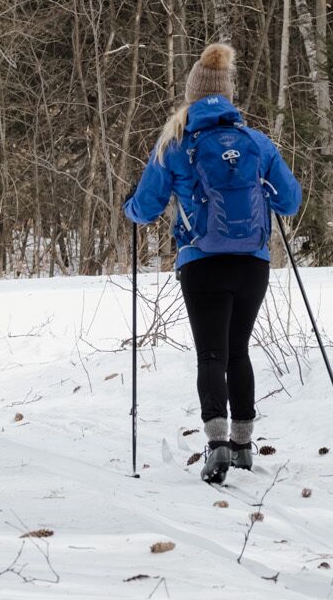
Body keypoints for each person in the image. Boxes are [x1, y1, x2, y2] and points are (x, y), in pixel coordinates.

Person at [125, 43, 303, 485]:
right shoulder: (256, 143)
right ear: (226, 95)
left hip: (202, 262)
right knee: (238, 350)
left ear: (191, 96)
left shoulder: (177, 143)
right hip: (252, 264)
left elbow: (146, 207)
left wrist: (129, 207)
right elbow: (290, 199)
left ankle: (218, 443)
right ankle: (243, 445)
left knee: (211, 353)